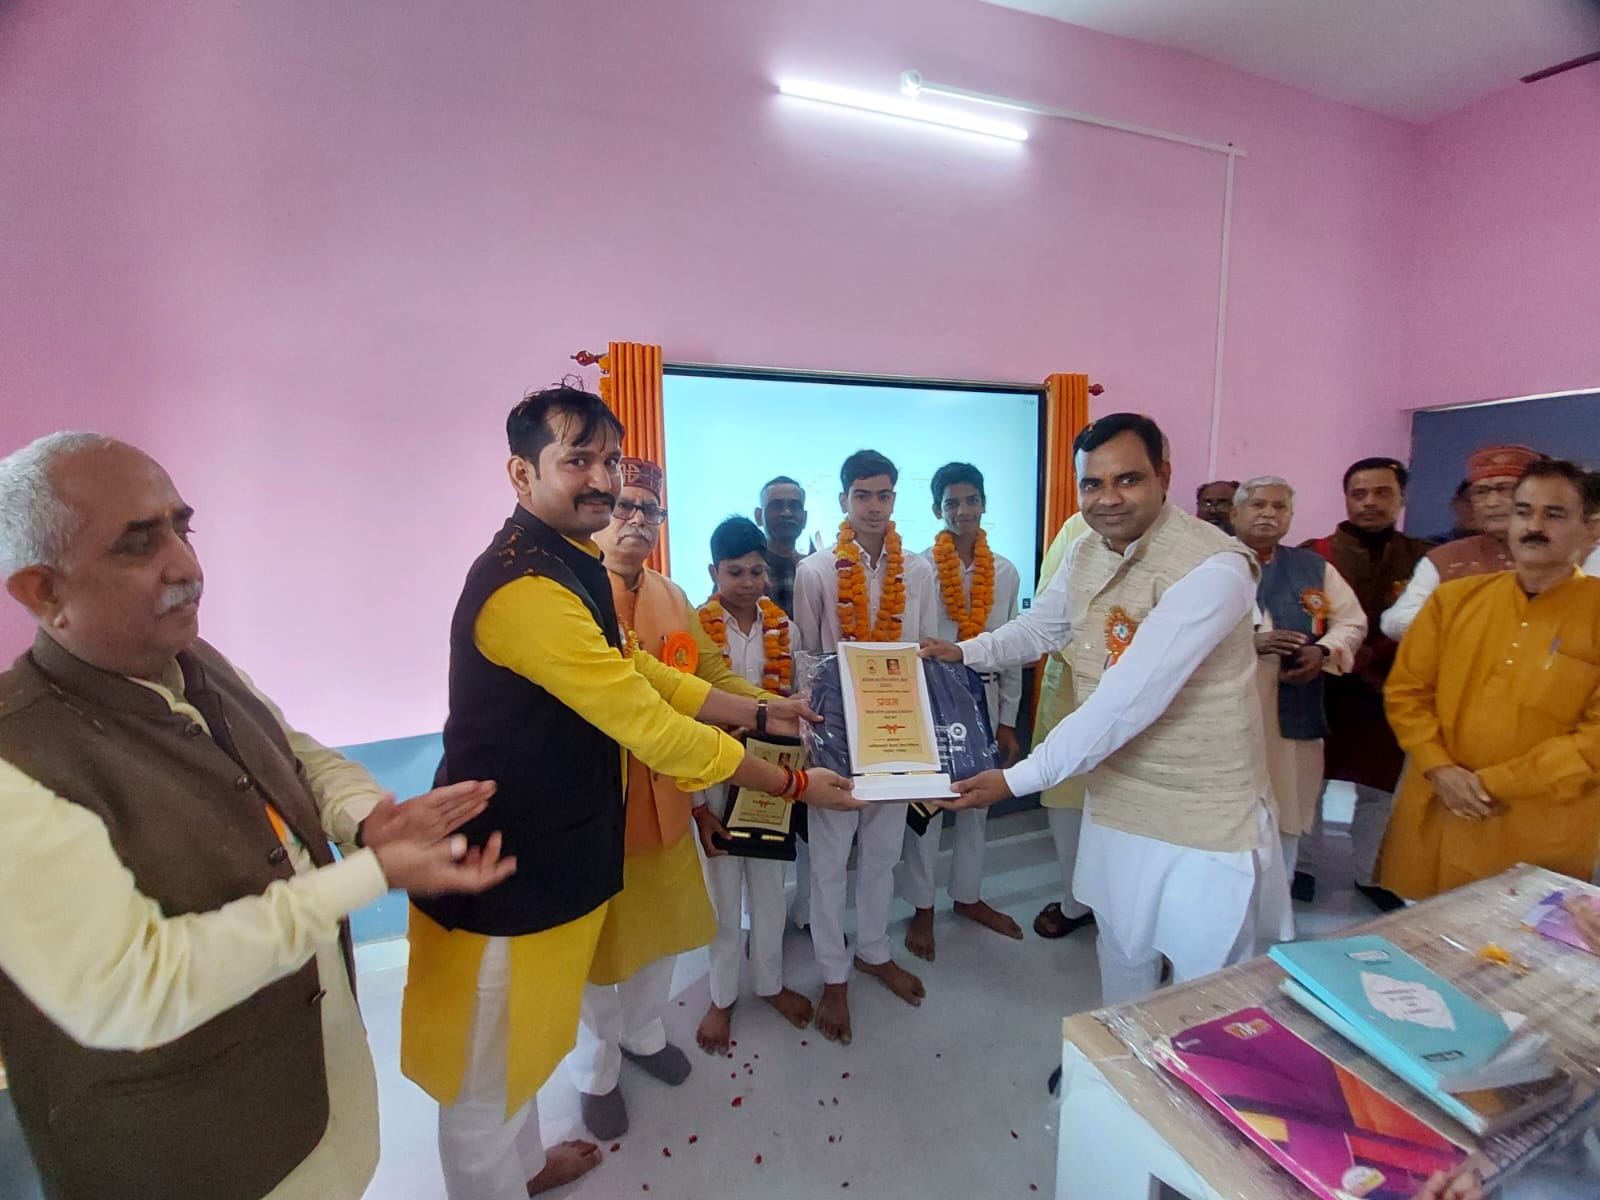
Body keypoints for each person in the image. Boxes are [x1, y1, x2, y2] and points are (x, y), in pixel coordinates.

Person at [0, 432, 514, 1200]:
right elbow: (135, 991)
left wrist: (366, 818)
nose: (187, 566)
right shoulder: (18, 760)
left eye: (183, 528)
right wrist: (372, 874)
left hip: (319, 1097)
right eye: (139, 544)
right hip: (195, 1156)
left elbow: (294, 752)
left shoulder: (197, 663)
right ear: (43, 592)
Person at [399, 387, 857, 1199]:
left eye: (611, 461)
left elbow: (646, 670)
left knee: (520, 1051)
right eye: (577, 459)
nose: (605, 482)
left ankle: (527, 1167)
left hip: (555, 853)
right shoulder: (526, 590)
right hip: (496, 870)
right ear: (521, 472)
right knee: (483, 1083)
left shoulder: (565, 562)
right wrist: (789, 782)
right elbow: (648, 723)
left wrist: (759, 710)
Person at [924, 413, 1288, 1026]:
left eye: (1128, 479)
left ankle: (1187, 1082)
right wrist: (964, 652)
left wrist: (1015, 779)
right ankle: (1119, 1064)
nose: (1108, 498)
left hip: (1200, 814)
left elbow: (1128, 700)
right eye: (1092, 484)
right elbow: (1042, 628)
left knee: (1206, 978)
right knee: (1122, 948)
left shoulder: (1215, 569)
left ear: (1164, 475)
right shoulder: (1088, 549)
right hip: (1118, 795)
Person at [567, 455, 796, 1139]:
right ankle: (596, 1070)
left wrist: (770, 709)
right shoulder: (568, 590)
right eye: (625, 506)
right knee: (596, 946)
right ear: (599, 512)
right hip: (591, 799)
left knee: (661, 930)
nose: (637, 520)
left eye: (650, 510)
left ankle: (642, 1034)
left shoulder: (669, 597)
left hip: (665, 792)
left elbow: (712, 674)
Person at [1378, 458, 1600, 901]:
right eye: (1524, 511)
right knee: (1422, 931)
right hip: (1438, 805)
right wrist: (1439, 767)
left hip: (1540, 820)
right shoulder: (1453, 600)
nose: (1533, 526)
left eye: (1554, 514)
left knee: (1524, 936)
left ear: (1592, 529)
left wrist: (1491, 785)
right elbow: (1406, 692)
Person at [793, 448, 940, 1044]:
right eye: (862, 495)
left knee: (883, 851)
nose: (873, 507)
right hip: (836, 730)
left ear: (895, 500)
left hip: (897, 730)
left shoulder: (919, 570)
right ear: (843, 500)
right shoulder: (816, 571)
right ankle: (833, 975)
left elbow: (923, 650)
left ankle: (874, 949)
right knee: (830, 861)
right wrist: (814, 737)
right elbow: (806, 658)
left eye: (883, 496)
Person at [689, 516, 813, 1055]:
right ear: (712, 572)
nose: (747, 582)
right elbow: (685, 711)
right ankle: (721, 996)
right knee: (721, 893)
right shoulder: (692, 631)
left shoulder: (785, 627)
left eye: (756, 571)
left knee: (769, 886)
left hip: (768, 775)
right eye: (734, 571)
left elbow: (797, 700)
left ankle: (769, 983)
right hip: (713, 771)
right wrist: (697, 805)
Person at [900, 462, 1025, 961]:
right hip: (932, 699)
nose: (963, 510)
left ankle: (968, 896)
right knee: (928, 804)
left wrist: (1008, 719)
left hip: (985, 697)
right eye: (951, 503)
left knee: (979, 803)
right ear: (937, 510)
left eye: (972, 500)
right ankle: (922, 905)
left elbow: (1011, 648)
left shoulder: (1006, 571)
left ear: (984, 504)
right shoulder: (920, 569)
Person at [1298, 457, 1432, 910]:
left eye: (1382, 492)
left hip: (1390, 691)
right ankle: (1303, 867)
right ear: (1346, 498)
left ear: (1402, 497)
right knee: (1310, 780)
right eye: (1359, 493)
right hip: (1324, 687)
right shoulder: (1314, 553)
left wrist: (1375, 658)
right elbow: (1300, 618)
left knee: (1380, 789)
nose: (1370, 502)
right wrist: (1339, 655)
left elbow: (1431, 623)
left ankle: (1371, 873)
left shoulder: (1425, 558)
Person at [1232, 477, 1366, 882]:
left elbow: (1352, 621)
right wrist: (1250, 642)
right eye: (1258, 504)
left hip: (1293, 708)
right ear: (1235, 513)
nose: (1268, 513)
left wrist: (1322, 651)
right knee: (1230, 812)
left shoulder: (1313, 568)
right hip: (1229, 707)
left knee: (1286, 805)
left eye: (1279, 507)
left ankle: (1277, 900)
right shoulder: (1206, 561)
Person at [1382, 445, 1543, 640]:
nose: (1492, 502)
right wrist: (1468, 622)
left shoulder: (1568, 553)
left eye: (1505, 489)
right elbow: (1395, 622)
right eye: (1481, 492)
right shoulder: (1447, 558)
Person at [1028, 510, 1098, 941]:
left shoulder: (1178, 540)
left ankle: (1130, 914)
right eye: (1092, 483)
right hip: (1071, 687)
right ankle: (1076, 903)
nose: (1109, 496)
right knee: (1066, 795)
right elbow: (1048, 612)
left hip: (1142, 695)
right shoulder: (1077, 528)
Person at [754, 475, 810, 617]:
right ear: (758, 516)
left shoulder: (815, 567)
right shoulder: (744, 570)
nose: (786, 513)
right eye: (776, 506)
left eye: (794, 506)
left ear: (804, 518)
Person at [1429, 479, 1478, 545]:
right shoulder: (1433, 545)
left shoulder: (1492, 547)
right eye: (1469, 501)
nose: (1475, 509)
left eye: (1479, 503)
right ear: (1455, 503)